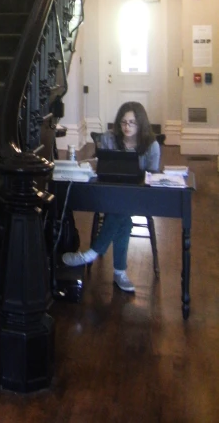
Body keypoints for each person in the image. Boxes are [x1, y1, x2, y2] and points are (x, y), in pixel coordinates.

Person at [62, 101, 160, 293]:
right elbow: (100, 165)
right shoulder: (108, 139)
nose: (127, 127)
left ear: (141, 123)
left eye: (132, 122)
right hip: (109, 192)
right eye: (123, 122)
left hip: (138, 195)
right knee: (123, 217)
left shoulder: (152, 145)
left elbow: (153, 178)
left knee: (120, 211)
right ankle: (119, 272)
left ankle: (91, 254)